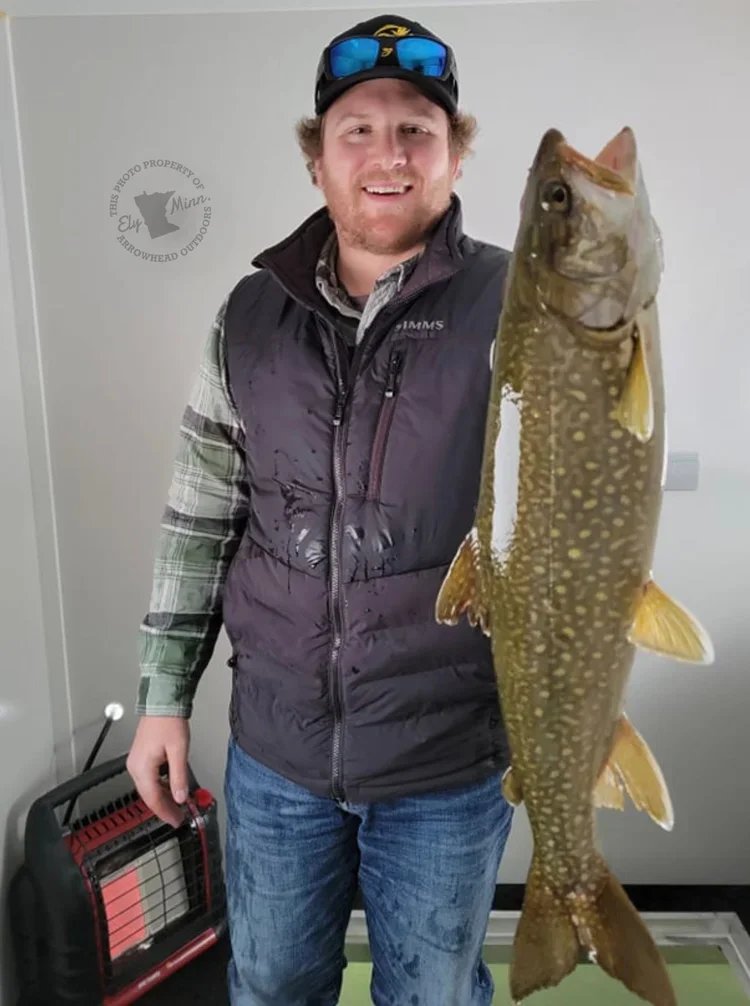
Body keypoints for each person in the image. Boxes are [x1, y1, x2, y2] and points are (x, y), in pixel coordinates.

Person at [127, 13, 515, 1006]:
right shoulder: (250, 315)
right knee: (270, 984)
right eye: (358, 130)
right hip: (278, 755)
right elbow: (201, 518)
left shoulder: (521, 306)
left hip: (444, 755)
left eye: (416, 131)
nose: (387, 154)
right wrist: (165, 698)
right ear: (318, 162)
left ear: (456, 155)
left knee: (433, 994)